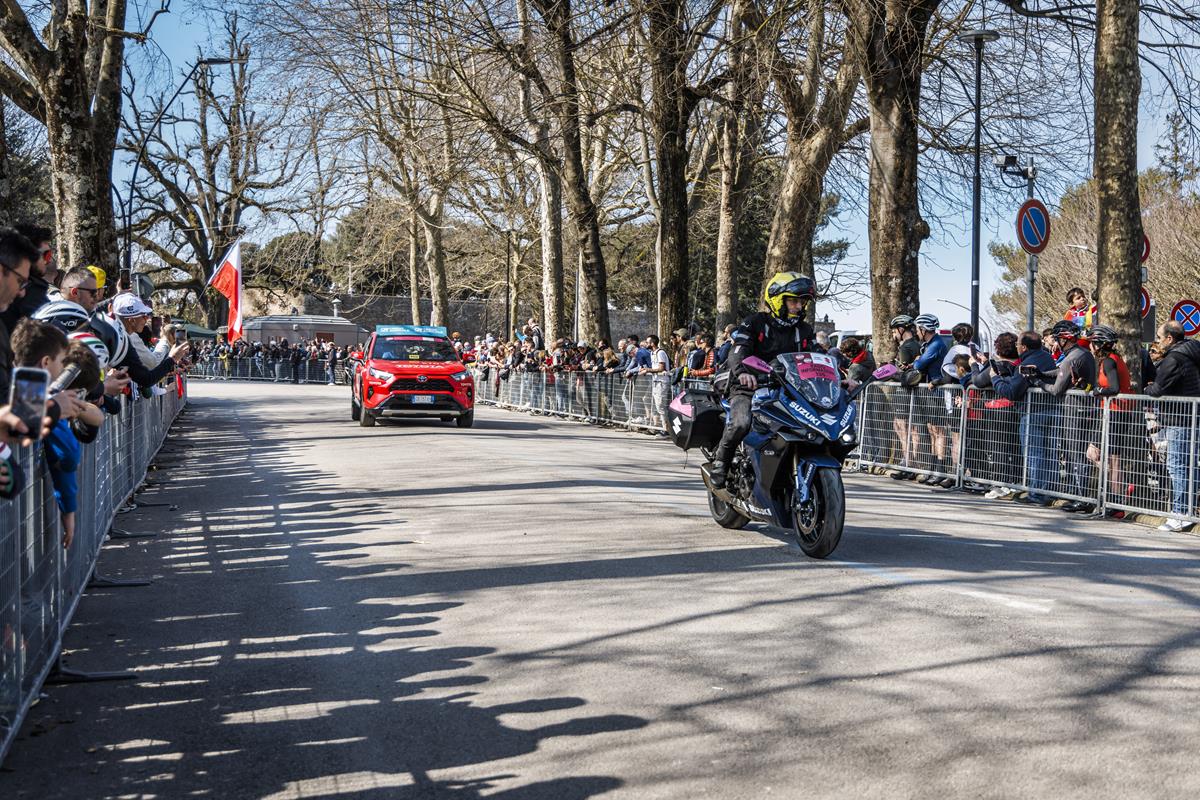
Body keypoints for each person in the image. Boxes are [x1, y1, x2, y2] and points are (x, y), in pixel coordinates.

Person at [710, 272, 818, 488]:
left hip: (787, 389)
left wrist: (839, 377)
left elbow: (817, 357)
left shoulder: (804, 330)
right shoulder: (755, 323)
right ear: (778, 300)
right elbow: (737, 350)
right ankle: (721, 462)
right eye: (794, 301)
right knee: (741, 422)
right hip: (748, 386)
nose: (799, 306)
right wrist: (742, 372)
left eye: (802, 302)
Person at [1144, 320, 1200, 531]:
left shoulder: (1174, 358)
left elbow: (1158, 389)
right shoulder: (1192, 351)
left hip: (1178, 419)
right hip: (1192, 417)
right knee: (1189, 466)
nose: (1158, 341)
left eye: (1159, 337)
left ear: (1169, 338)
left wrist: (1147, 388)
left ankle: (1179, 513)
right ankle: (1188, 510)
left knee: (1177, 466)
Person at [1043, 319, 1098, 512]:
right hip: (1086, 409)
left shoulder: (1071, 357)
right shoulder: (1083, 353)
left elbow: (1057, 389)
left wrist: (1039, 383)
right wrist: (1042, 373)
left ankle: (1081, 498)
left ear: (1064, 340)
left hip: (1075, 411)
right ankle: (1080, 495)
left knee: (1076, 455)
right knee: (1079, 455)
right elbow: (1061, 372)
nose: (1056, 343)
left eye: (1058, 339)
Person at [1086, 325, 1136, 517]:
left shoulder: (1108, 362)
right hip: (1114, 411)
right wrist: (1089, 387)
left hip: (1116, 412)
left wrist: (1097, 391)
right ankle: (1118, 494)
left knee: (1109, 459)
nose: (1090, 346)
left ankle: (1117, 500)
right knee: (1102, 457)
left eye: (1092, 343)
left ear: (1099, 345)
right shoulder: (1114, 359)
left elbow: (1114, 387)